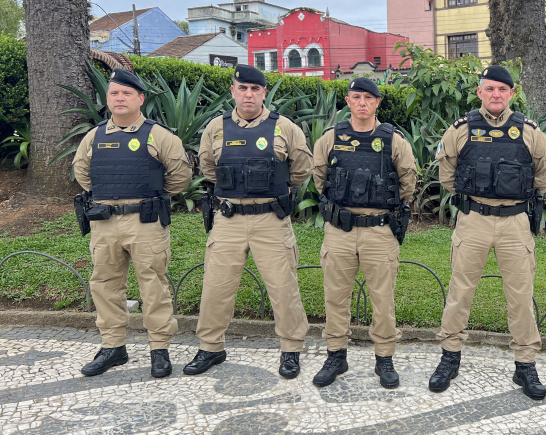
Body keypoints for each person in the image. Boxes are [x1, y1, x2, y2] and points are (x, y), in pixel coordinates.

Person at [428, 65, 546, 400]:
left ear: (512, 93)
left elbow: (542, 173)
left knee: (521, 295)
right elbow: (447, 173)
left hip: (515, 222)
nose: (496, 94)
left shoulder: (529, 130)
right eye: (490, 89)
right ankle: (450, 356)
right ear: (480, 92)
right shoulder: (461, 129)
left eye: (502, 89)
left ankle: (525, 364)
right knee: (460, 291)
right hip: (474, 219)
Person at [184, 65, 313, 380]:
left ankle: (291, 349)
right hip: (228, 219)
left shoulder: (285, 127)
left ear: (264, 92)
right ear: (233, 91)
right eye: (242, 88)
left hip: (271, 219)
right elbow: (209, 168)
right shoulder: (216, 128)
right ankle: (211, 347)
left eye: (255, 89)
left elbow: (302, 168)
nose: (248, 94)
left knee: (283, 288)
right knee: (216, 286)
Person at [73, 69, 192, 378]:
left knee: (153, 284)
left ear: (140, 99)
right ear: (107, 99)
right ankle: (113, 347)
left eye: (127, 94)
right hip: (104, 222)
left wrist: (151, 195)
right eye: (114, 93)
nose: (120, 98)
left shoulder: (159, 135)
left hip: (146, 221)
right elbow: (82, 174)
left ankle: (159, 349)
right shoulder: (95, 136)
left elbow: (180, 177)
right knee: (105, 284)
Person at [310, 77, 416, 389]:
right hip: (339, 230)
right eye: (356, 97)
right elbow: (320, 177)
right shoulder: (330, 138)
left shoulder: (394, 140)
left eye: (368, 98)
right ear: (347, 100)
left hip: (379, 231)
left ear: (377, 103)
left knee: (383, 299)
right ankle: (335, 354)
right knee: (336, 297)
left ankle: (384, 358)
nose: (362, 103)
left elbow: (407, 181)